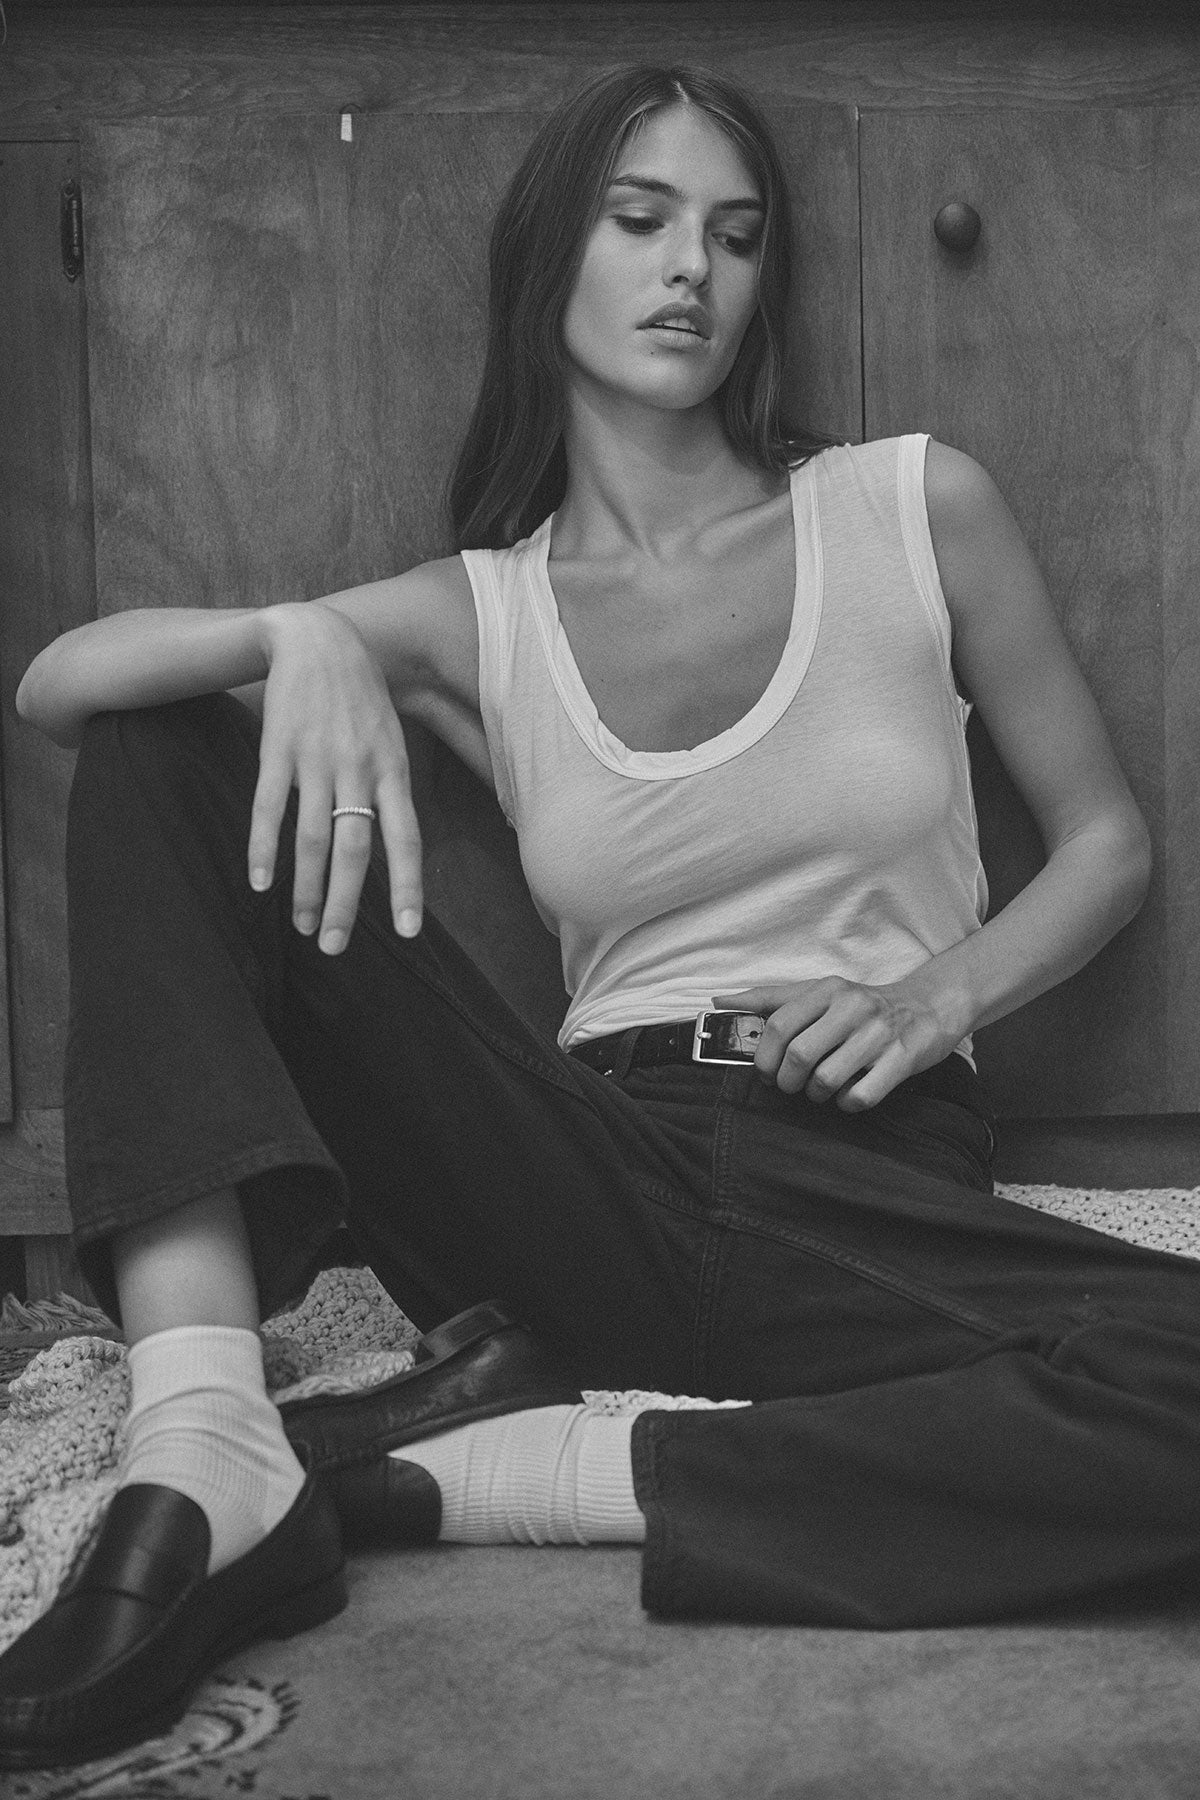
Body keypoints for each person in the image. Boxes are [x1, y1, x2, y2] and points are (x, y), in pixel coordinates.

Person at [2, 61, 1198, 1772]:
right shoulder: (481, 614)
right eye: (639, 223)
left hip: (850, 1167)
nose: (689, 270)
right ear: (550, 260)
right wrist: (304, 637)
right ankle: (200, 1434)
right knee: (165, 738)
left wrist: (936, 999)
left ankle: (488, 1472)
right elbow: (65, 686)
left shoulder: (914, 507)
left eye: (731, 233)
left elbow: (1106, 848)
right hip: (578, 1161)